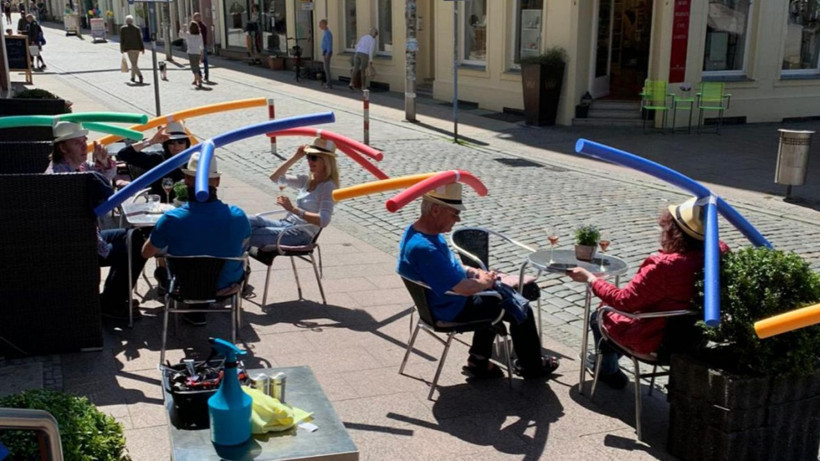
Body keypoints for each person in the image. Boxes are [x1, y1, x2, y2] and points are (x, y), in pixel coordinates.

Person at [397, 183, 560, 379]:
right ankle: (532, 367)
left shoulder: (418, 233)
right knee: (520, 305)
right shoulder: (425, 249)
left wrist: (473, 271)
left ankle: (479, 360)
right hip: (452, 309)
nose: (458, 219)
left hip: (439, 303)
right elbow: (465, 289)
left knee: (507, 295)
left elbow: (449, 267)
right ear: (435, 209)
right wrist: (486, 281)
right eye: (454, 213)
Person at [567, 198, 730, 389]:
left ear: (672, 231)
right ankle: (606, 364)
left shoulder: (665, 266)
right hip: (693, 340)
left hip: (655, 340)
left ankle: (607, 370)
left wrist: (591, 279)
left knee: (599, 315)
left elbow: (624, 301)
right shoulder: (718, 251)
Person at [46, 122, 147, 321]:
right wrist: (105, 249)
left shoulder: (76, 167)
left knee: (136, 237)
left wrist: (102, 162)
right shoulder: (60, 178)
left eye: (84, 141)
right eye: (77, 143)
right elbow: (77, 225)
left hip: (89, 235)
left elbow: (101, 179)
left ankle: (110, 299)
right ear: (62, 147)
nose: (85, 147)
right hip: (77, 246)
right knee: (137, 249)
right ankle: (112, 303)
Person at [142, 153, 250, 326]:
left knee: (162, 267)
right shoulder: (238, 216)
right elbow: (244, 244)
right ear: (218, 182)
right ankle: (198, 313)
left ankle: (192, 311)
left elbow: (146, 253)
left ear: (186, 181)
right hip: (226, 286)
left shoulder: (172, 219)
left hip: (184, 286)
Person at [248, 138, 339, 249]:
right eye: (308, 156)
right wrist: (296, 156)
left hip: (300, 234)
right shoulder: (307, 180)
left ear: (326, 161)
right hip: (286, 224)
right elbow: (275, 178)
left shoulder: (328, 186)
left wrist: (293, 209)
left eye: (314, 158)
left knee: (244, 235)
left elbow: (324, 220)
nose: (309, 161)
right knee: (246, 220)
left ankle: (233, 263)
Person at [115, 121, 189, 203]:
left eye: (181, 142)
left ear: (187, 144)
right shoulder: (158, 159)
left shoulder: (194, 159)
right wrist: (151, 141)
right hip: (163, 207)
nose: (176, 146)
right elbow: (124, 154)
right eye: (171, 142)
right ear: (166, 144)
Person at [180, 20, 204, 88]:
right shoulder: (200, 35)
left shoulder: (188, 34)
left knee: (194, 68)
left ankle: (199, 80)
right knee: (197, 67)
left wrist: (182, 28)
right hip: (198, 52)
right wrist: (202, 54)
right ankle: (196, 80)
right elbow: (202, 45)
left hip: (191, 53)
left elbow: (181, 35)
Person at [120, 15, 144, 84]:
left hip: (129, 48)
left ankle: (140, 76)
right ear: (132, 21)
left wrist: (122, 49)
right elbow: (140, 39)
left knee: (133, 64)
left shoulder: (123, 29)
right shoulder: (137, 28)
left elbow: (122, 40)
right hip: (137, 48)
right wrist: (142, 48)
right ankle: (132, 77)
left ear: (126, 21)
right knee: (134, 63)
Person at [193, 12, 209, 82]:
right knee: (199, 61)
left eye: (198, 17)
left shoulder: (202, 26)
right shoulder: (194, 26)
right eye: (196, 17)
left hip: (202, 45)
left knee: (203, 60)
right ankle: (201, 75)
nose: (198, 18)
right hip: (198, 45)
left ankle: (205, 75)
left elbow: (203, 36)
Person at [319, 18, 332, 89]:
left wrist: (328, 52)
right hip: (325, 51)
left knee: (326, 68)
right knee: (325, 68)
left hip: (327, 51)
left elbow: (329, 43)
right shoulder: (325, 32)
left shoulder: (327, 33)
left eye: (320, 24)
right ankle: (328, 82)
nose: (319, 26)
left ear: (324, 24)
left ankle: (329, 84)